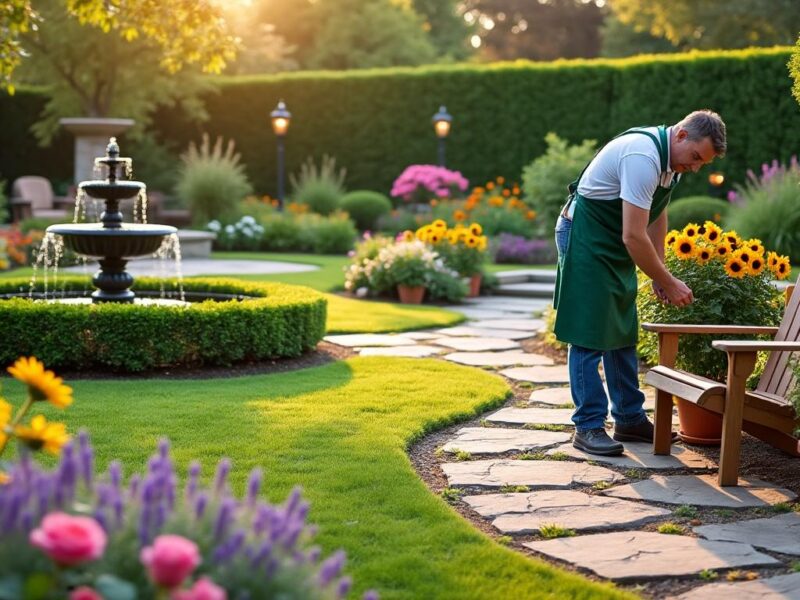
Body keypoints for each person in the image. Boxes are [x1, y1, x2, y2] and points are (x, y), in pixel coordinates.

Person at [553, 109, 726, 456]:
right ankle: (587, 425)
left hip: (613, 240)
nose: (694, 168)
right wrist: (668, 281)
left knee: (621, 326)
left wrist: (660, 271)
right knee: (589, 331)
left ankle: (629, 418)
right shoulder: (642, 156)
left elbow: (656, 216)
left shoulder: (670, 164)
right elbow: (633, 235)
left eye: (701, 164)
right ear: (680, 135)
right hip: (586, 235)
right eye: (694, 158)